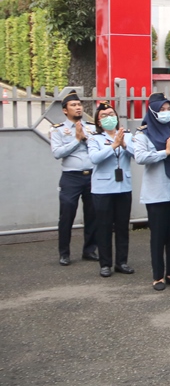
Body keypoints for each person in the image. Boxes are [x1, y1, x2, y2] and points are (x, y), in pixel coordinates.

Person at [134, 93, 170, 291]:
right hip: (156, 191)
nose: (166, 113)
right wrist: (164, 153)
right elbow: (140, 157)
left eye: (169, 110)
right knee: (158, 235)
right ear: (152, 111)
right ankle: (158, 276)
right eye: (162, 110)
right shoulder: (143, 133)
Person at [50, 91, 99, 265]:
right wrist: (76, 140)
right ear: (65, 110)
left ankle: (90, 250)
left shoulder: (92, 127)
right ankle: (64, 253)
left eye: (79, 104)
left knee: (92, 215)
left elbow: (97, 147)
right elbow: (57, 153)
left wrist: (86, 138)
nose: (78, 107)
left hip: (92, 176)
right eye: (73, 105)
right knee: (67, 215)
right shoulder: (58, 129)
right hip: (71, 177)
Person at [87, 102, 135, 278]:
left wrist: (123, 145)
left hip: (123, 187)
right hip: (103, 189)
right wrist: (113, 145)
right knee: (104, 226)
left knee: (122, 226)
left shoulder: (127, 136)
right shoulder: (94, 138)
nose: (109, 118)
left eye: (111, 114)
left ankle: (121, 262)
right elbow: (94, 158)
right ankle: (105, 264)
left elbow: (137, 155)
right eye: (104, 116)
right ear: (99, 122)